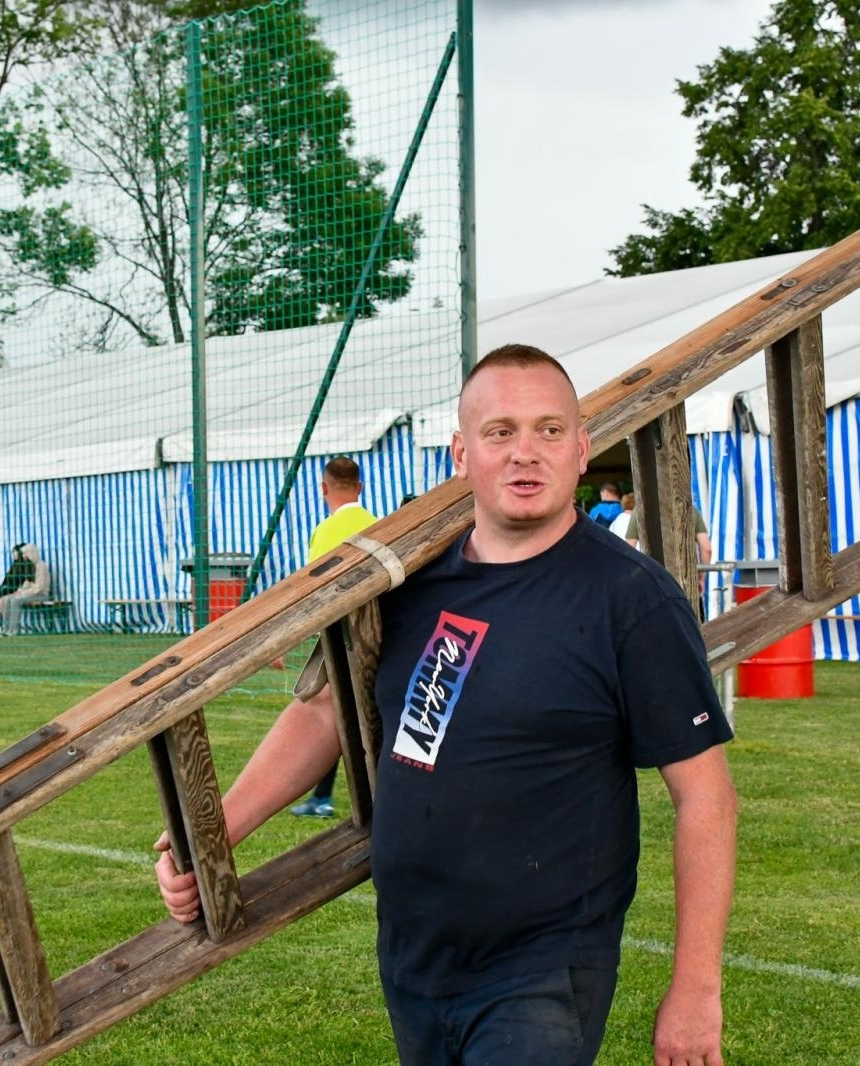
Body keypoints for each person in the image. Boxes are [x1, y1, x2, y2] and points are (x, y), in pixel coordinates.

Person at [156, 345, 737, 1065]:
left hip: (544, 968)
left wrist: (696, 988)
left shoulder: (630, 598)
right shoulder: (407, 583)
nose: (526, 453)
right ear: (463, 452)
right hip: (415, 958)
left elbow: (706, 798)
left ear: (583, 449)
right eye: (501, 433)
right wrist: (215, 835)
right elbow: (325, 712)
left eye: (550, 431)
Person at [288, 456, 379, 820]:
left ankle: (326, 798)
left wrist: (294, 642)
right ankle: (327, 797)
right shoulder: (379, 524)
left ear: (324, 488)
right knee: (365, 719)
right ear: (360, 488)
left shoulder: (324, 532)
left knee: (338, 717)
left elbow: (314, 596)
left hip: (341, 642)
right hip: (382, 636)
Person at [613, 504, 714, 565]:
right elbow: (706, 549)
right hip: (686, 576)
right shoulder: (691, 510)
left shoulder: (640, 510)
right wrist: (701, 577)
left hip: (653, 575)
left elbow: (628, 549)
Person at [0, 542, 51, 636]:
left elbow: (39, 587)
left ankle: (14, 629)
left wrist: (24, 591)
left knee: (15, 601)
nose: (23, 556)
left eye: (24, 553)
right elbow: (27, 584)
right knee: (7, 599)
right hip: (30, 594)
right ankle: (6, 628)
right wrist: (22, 590)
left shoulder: (41, 566)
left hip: (41, 595)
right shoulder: (30, 566)